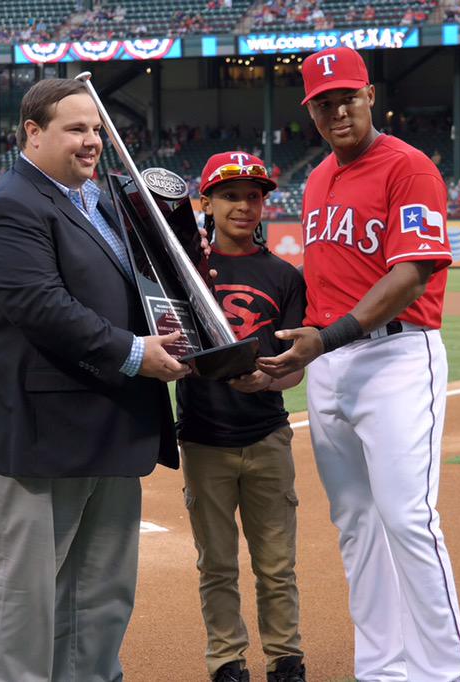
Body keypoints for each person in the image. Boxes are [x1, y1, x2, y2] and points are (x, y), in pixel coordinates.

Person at [0, 77, 194, 681]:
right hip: (42, 434)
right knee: (27, 593)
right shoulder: (7, 206)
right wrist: (135, 353)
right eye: (75, 129)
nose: (92, 141)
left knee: (101, 591)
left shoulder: (108, 202)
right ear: (33, 133)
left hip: (114, 421)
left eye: (96, 129)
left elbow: (146, 288)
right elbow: (43, 307)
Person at [257, 47, 460, 682]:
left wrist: (327, 339)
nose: (337, 112)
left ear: (370, 95)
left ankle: (440, 670)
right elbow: (326, 282)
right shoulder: (318, 178)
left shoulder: (409, 168)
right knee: (355, 523)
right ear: (311, 112)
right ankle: (381, 668)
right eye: (323, 104)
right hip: (331, 364)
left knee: (408, 517)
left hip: (397, 357)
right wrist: (294, 352)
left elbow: (411, 275)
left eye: (347, 98)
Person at [177, 152, 307, 682]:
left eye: (253, 196)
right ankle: (227, 663)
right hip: (204, 438)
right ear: (206, 204)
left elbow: (295, 369)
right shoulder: (184, 273)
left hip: (267, 436)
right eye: (229, 195)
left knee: (277, 565)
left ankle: (286, 661)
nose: (243, 206)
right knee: (217, 565)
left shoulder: (284, 275)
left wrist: (268, 380)